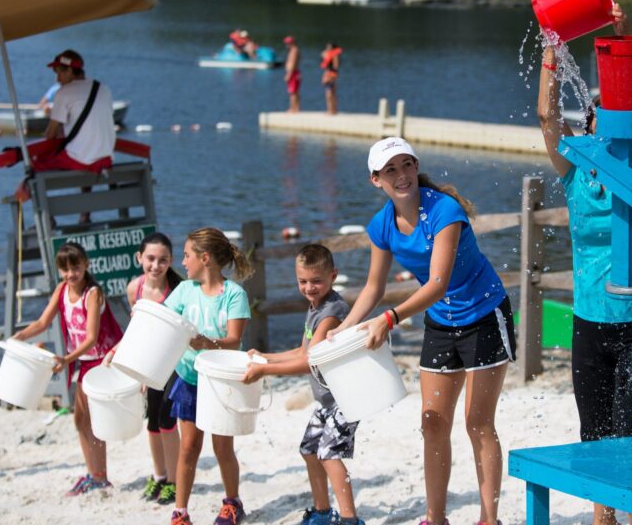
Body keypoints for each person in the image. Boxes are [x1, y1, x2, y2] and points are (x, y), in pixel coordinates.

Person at [333, 137, 514, 525]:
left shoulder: (444, 210)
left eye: (406, 165)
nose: (401, 176)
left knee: (477, 422)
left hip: (484, 315)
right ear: (375, 179)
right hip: (442, 322)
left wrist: (389, 319)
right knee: (432, 422)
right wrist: (342, 329)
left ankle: (488, 519)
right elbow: (373, 288)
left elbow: (436, 284)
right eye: (390, 170)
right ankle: (435, 518)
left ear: (416, 167)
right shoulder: (381, 224)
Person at [537, 3, 632, 525]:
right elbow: (547, 116)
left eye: (615, 112)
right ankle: (602, 520)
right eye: (596, 113)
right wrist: (551, 48)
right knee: (594, 436)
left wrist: (623, 36)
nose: (603, 120)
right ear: (589, 127)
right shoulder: (575, 172)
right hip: (590, 321)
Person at [243, 244, 365, 525]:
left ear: (333, 276)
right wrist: (264, 358)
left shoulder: (332, 310)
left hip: (345, 399)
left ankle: (350, 519)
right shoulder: (314, 309)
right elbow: (301, 351)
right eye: (303, 281)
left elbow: (312, 360)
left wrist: (266, 372)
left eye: (316, 281)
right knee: (309, 450)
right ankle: (322, 512)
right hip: (326, 402)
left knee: (328, 454)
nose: (309, 287)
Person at [12, 242, 124, 496]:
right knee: (80, 419)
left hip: (100, 359)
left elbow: (92, 338)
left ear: (86, 265)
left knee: (90, 420)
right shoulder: (62, 289)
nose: (70, 273)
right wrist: (19, 337)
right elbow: (42, 321)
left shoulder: (92, 293)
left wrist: (66, 358)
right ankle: (94, 473)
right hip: (81, 360)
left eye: (75, 267)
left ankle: (100, 476)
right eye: (65, 269)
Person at [165, 228, 253, 525]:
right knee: (188, 448)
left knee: (222, 447)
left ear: (205, 258)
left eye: (187, 255)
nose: (183, 261)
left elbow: (234, 340)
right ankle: (180, 512)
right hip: (189, 378)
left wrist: (207, 343)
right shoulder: (185, 290)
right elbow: (165, 321)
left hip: (220, 382)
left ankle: (232, 503)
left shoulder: (234, 295)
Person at [103, 233, 183, 505]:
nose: (155, 265)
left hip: (175, 363)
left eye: (163, 260)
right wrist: (117, 353)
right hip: (148, 363)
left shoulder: (178, 291)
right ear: (139, 258)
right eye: (150, 258)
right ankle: (159, 476)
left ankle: (174, 481)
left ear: (170, 261)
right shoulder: (133, 288)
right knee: (151, 422)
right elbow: (137, 330)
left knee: (166, 420)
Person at [33, 49, 116, 176]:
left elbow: (50, 134)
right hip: (106, 160)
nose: (57, 79)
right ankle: (86, 193)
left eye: (59, 73)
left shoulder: (64, 93)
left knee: (36, 162)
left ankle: (24, 192)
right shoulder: (104, 89)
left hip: (80, 162)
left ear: (70, 71)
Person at [320, 43, 342, 115]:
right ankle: (331, 110)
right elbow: (322, 53)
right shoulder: (329, 54)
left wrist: (329, 76)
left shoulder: (335, 55)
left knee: (330, 93)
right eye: (327, 47)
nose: (328, 49)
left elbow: (335, 67)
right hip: (329, 73)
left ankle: (332, 110)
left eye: (329, 47)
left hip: (331, 74)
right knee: (330, 93)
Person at [284, 36, 301, 113]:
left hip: (293, 73)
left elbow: (293, 63)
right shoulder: (293, 50)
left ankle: (293, 108)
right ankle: (295, 108)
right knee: (294, 91)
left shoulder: (294, 51)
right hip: (293, 72)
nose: (287, 44)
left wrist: (289, 74)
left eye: (288, 43)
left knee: (292, 92)